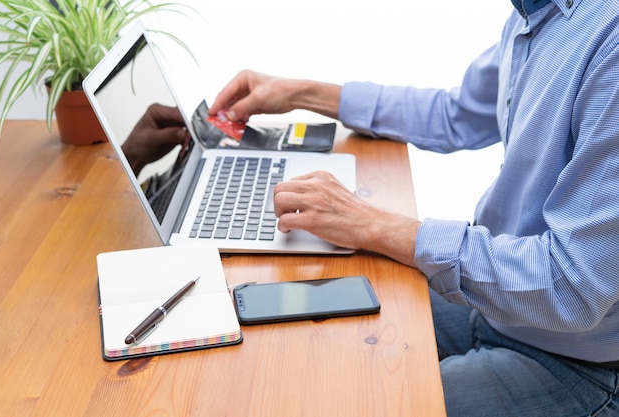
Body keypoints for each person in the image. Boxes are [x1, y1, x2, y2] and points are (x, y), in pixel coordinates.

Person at [208, 0, 619, 415]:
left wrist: (378, 226)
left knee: (357, 401)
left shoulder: (609, 40)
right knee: (298, 341)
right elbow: (456, 115)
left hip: (578, 363)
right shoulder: (536, 12)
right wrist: (300, 92)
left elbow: (573, 286)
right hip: (500, 306)